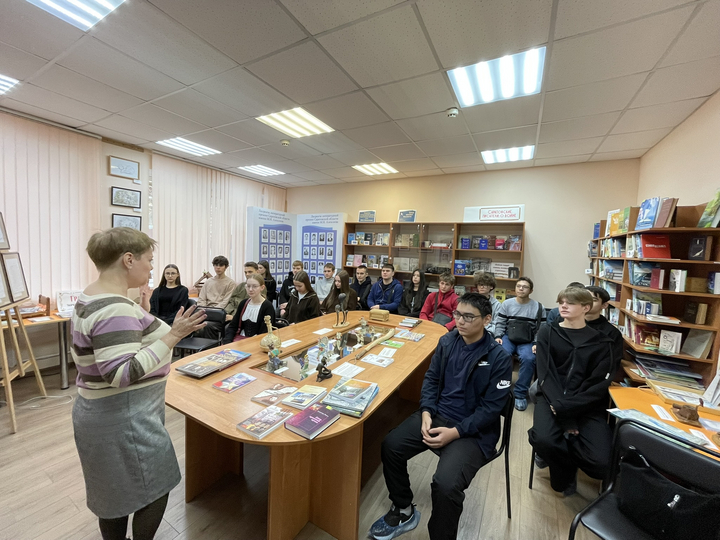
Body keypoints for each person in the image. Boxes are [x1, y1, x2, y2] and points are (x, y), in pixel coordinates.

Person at [71, 228, 207, 540]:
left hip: (103, 415)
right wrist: (174, 334)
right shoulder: (115, 308)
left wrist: (142, 313)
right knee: (157, 486)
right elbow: (120, 373)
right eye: (149, 259)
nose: (152, 266)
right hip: (124, 419)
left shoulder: (93, 295)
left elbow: (115, 344)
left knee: (114, 497)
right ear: (129, 260)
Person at [369, 294, 512, 540]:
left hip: (472, 432)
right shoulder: (447, 342)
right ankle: (403, 509)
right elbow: (432, 380)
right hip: (437, 415)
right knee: (391, 445)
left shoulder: (499, 357)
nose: (461, 321)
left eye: (469, 317)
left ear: (487, 319)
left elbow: (490, 410)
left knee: (445, 485)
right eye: (458, 314)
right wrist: (426, 412)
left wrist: (455, 433)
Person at [528, 287, 615, 497]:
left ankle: (566, 446)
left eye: (570, 303)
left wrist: (571, 409)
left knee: (601, 462)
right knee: (544, 440)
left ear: (586, 308)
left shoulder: (602, 342)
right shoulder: (548, 332)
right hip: (551, 399)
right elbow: (546, 375)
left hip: (586, 405)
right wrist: (564, 414)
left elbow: (597, 383)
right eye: (561, 302)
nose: (563, 306)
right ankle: (564, 473)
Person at [494, 277, 543, 411]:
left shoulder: (538, 307)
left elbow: (541, 328)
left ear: (531, 290)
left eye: (525, 287)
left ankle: (520, 394)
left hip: (528, 340)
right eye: (518, 286)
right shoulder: (507, 304)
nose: (521, 289)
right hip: (508, 337)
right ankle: (501, 389)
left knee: (529, 358)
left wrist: (536, 343)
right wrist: (498, 336)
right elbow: (500, 323)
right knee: (501, 354)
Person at [223, 273, 276, 344]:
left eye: (254, 286)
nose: (250, 289)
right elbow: (233, 326)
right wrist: (227, 342)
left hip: (257, 342)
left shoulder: (267, 306)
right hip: (240, 340)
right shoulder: (243, 303)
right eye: (248, 286)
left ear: (262, 287)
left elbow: (265, 332)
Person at [473, 271, 501, 336]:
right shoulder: (471, 301)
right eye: (480, 285)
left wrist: (486, 331)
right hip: (472, 330)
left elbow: (496, 324)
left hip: (488, 332)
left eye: (484, 285)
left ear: (491, 287)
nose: (482, 287)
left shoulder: (497, 304)